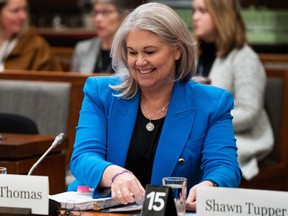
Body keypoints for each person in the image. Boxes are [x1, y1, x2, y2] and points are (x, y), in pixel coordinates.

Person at [68, 2, 241, 212]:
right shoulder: (101, 93)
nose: (140, 62)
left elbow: (225, 167)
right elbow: (83, 157)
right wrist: (114, 174)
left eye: (149, 52)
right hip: (99, 209)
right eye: (132, 52)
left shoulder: (212, 103)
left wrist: (210, 185)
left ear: (177, 50)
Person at [192, 0, 274, 181]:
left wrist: (206, 120)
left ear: (222, 15)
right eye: (194, 10)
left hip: (241, 138)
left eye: (203, 11)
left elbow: (249, 113)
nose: (195, 17)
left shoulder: (244, 57)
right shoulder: (196, 57)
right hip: (202, 134)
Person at [71, 0, 144, 74]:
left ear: (124, 16)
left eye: (105, 12)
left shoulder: (132, 50)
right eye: (95, 13)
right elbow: (74, 83)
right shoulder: (83, 48)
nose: (98, 19)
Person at [0, 0, 62, 72]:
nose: (23, 16)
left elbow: (53, 80)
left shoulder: (36, 46)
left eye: (24, 9)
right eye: (15, 11)